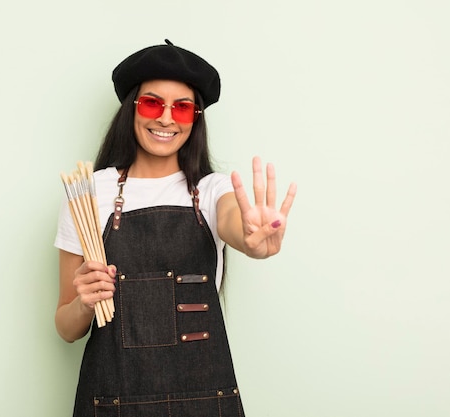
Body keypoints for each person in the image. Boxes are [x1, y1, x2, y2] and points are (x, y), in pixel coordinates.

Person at [54, 39, 296, 417]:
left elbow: (233, 219)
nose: (166, 118)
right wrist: (85, 302)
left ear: (195, 119)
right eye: (152, 103)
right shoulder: (89, 194)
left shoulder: (212, 189)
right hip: (112, 402)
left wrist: (252, 239)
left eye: (182, 109)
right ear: (131, 109)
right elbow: (66, 327)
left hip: (203, 402)